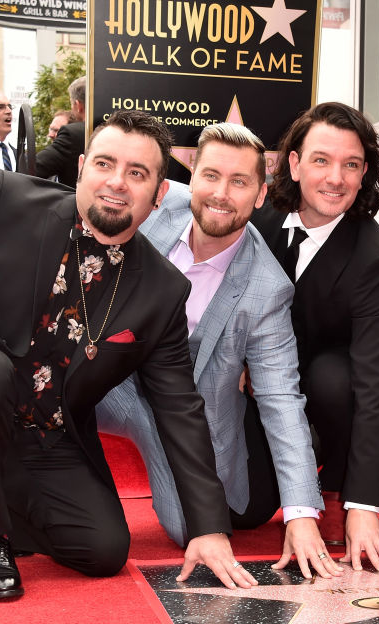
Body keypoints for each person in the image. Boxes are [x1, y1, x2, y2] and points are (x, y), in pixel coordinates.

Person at [0, 110, 256, 601]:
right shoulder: (8, 200)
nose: (116, 182)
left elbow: (179, 408)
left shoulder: (162, 291)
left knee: (104, 551)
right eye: (104, 164)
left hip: (41, 437)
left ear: (159, 195)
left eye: (137, 174)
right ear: (81, 170)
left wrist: (208, 528)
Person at [98, 123, 341, 580]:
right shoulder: (151, 212)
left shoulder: (267, 289)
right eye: (210, 176)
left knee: (196, 523)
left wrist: (302, 514)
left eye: (239, 182)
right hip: (106, 375)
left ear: (261, 195)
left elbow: (281, 398)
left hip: (188, 408)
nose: (221, 194)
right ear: (192, 178)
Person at [251, 102, 379, 571]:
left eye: (351, 165)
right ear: (293, 164)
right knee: (248, 510)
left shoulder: (375, 259)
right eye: (321, 160)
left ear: (363, 176)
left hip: (329, 391)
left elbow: (377, 387)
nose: (336, 177)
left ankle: (333, 484)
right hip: (260, 387)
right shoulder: (260, 219)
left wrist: (363, 504)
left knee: (337, 376)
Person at [36, 77, 86, 186]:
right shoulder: (122, 128)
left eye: (71, 104)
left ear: (78, 106)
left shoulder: (73, 134)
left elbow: (31, 168)